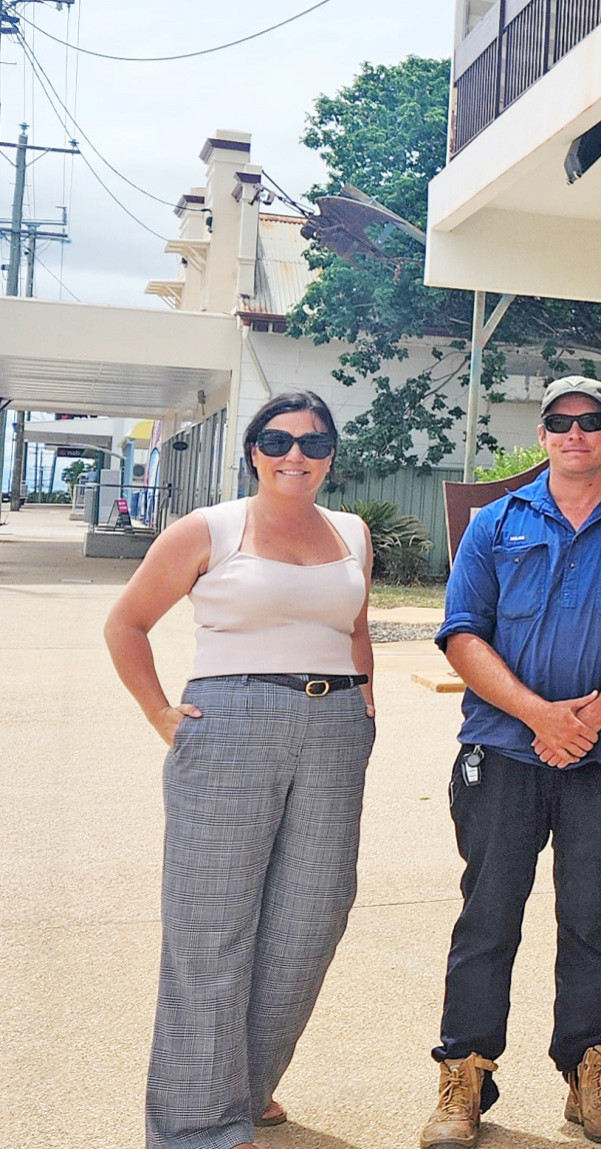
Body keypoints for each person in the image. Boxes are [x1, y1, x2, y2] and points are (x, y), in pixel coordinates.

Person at [421, 377, 601, 1149]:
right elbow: (463, 633)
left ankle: (589, 1072)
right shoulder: (495, 524)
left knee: (591, 914)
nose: (576, 433)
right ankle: (464, 1073)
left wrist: (588, 720)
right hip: (504, 749)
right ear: (541, 436)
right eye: (560, 422)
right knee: (487, 911)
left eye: (592, 421)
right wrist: (541, 716)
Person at [104, 389, 376, 1149]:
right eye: (281, 440)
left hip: (333, 730)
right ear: (255, 449)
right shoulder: (209, 529)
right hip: (231, 719)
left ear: (330, 455)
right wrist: (162, 713)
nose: (298, 454)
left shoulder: (352, 533)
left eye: (315, 442)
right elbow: (125, 623)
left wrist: (366, 705)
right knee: (213, 922)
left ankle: (244, 1089)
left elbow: (354, 627)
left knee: (310, 917)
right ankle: (196, 1123)